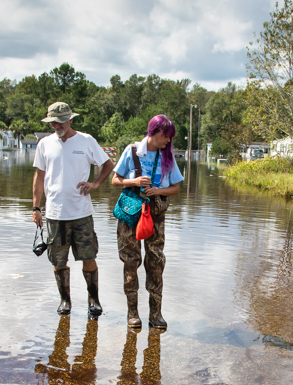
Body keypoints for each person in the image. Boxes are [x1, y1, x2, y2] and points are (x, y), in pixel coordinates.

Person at [32, 102, 114, 317]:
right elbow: (39, 176)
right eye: (53, 122)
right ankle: (65, 301)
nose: (57, 126)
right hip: (54, 214)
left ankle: (93, 299)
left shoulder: (86, 141)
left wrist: (95, 184)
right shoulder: (44, 144)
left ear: (70, 120)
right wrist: (35, 207)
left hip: (81, 213)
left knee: (89, 256)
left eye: (60, 121)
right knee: (58, 261)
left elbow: (108, 165)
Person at [111, 115, 183, 329]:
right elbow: (115, 180)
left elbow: (176, 188)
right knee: (130, 261)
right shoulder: (132, 151)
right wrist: (134, 181)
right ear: (154, 132)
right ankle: (132, 314)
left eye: (170, 138)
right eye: (166, 136)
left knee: (156, 262)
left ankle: (156, 315)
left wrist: (158, 190)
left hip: (155, 215)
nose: (168, 141)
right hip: (131, 213)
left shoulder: (167, 157)